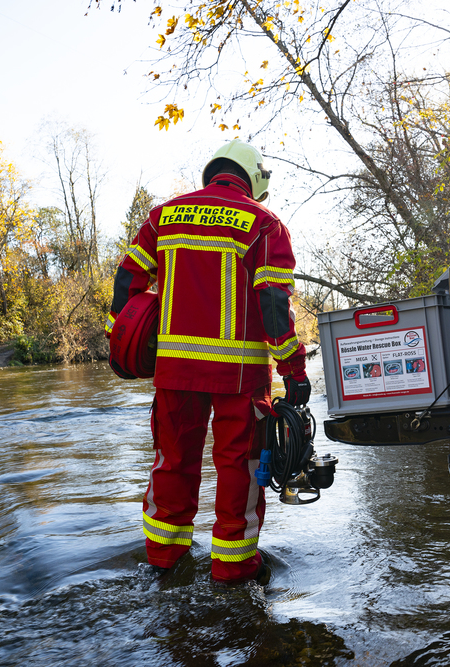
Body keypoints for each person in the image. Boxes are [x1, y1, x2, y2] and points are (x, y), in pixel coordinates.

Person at [106, 139, 310, 584]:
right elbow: (274, 305)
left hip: (174, 372)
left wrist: (117, 342)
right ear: (255, 180)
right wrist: (294, 370)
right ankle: (233, 572)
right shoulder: (264, 223)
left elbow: (128, 282)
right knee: (239, 471)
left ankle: (164, 562)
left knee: (171, 465)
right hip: (239, 377)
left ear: (213, 171)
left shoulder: (165, 216)